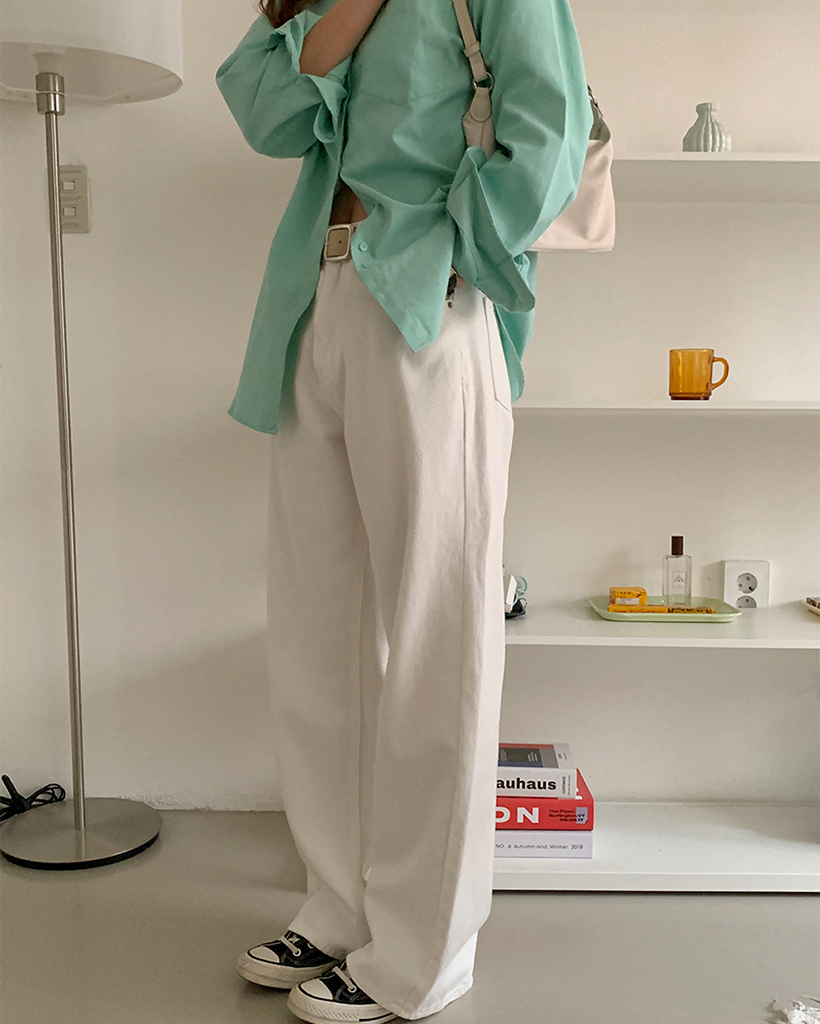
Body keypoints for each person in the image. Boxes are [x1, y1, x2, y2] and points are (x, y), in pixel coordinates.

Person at [215, 0, 591, 1020]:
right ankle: (339, 905)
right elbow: (264, 113)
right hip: (315, 302)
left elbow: (550, 133)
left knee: (436, 640)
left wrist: (459, 248)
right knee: (317, 638)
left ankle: (424, 954)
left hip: (431, 302)